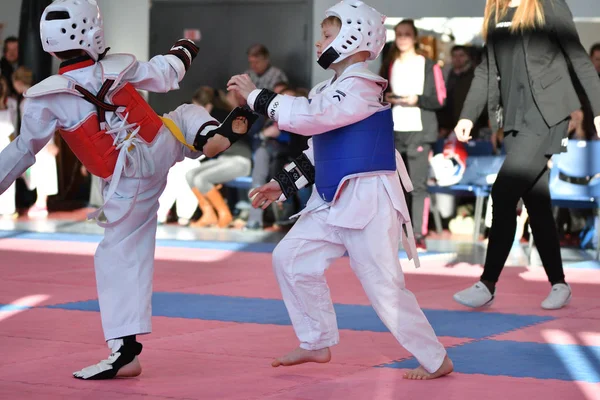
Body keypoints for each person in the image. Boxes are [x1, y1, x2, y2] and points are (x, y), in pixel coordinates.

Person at [0, 0, 256, 380]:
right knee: (183, 113)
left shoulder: (45, 96)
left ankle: (124, 351)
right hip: (161, 144)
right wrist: (185, 48)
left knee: (117, 258)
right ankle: (205, 136)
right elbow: (167, 74)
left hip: (128, 181)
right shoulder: (119, 66)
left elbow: (24, 150)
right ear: (93, 31)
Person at [228, 0, 452, 380]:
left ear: (355, 37)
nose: (320, 43)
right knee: (291, 259)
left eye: (328, 35)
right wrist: (282, 183)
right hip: (333, 197)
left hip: (369, 199)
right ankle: (316, 341)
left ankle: (435, 359)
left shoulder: (362, 86)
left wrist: (256, 97)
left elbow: (313, 118)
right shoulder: (328, 88)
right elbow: (319, 146)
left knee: (383, 288)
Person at [453, 0, 600, 310]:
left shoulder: (549, 6)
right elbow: (486, 70)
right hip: (513, 121)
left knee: (504, 193)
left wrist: (598, 111)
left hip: (548, 117)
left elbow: (578, 58)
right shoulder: (495, 11)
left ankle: (487, 283)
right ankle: (559, 284)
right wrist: (468, 114)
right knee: (537, 202)